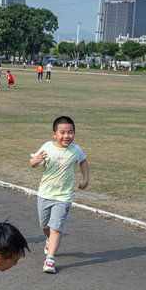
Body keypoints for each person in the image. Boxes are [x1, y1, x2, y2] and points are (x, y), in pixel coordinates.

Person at [29, 116, 89, 274]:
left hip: (63, 197)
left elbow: (83, 161)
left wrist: (85, 179)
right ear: (54, 134)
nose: (66, 136)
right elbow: (33, 163)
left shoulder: (76, 150)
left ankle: (50, 259)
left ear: (74, 133)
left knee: (56, 227)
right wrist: (36, 160)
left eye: (70, 132)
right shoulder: (47, 147)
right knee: (45, 226)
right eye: (62, 132)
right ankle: (49, 240)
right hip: (45, 194)